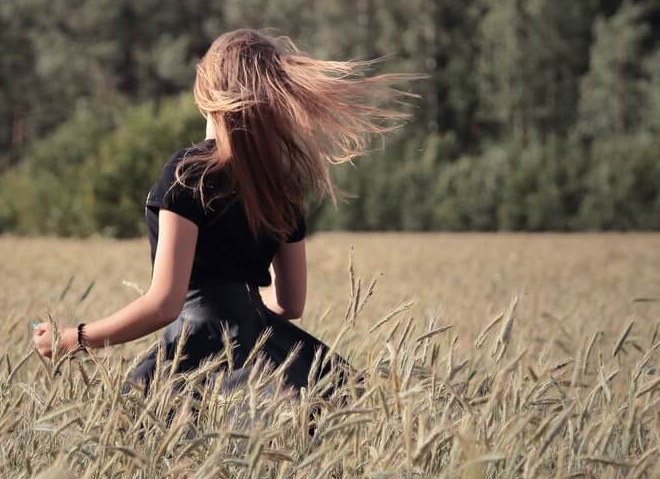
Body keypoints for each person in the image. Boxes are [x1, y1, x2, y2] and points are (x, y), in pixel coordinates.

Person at [32, 28, 414, 408]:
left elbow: (166, 303)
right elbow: (290, 302)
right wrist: (241, 309)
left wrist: (73, 339)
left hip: (197, 354)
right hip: (268, 344)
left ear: (206, 92)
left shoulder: (186, 173)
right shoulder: (281, 183)